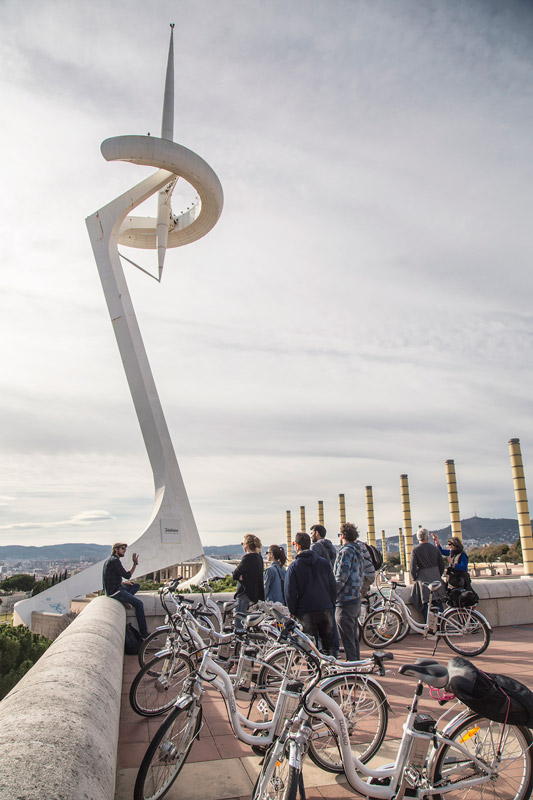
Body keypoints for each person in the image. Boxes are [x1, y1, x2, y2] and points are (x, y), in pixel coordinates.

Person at [284, 532, 336, 655]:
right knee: (328, 648)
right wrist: (330, 604)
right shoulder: (324, 563)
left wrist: (294, 612)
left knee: (310, 649)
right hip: (325, 608)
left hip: (305, 611)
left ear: (297, 546)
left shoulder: (294, 566)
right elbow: (333, 586)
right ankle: (330, 666)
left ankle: (315, 667)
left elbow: (289, 592)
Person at [102, 542, 149, 638]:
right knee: (139, 604)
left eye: (125, 549)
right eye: (122, 548)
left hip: (115, 588)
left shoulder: (110, 560)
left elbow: (111, 578)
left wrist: (123, 583)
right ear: (116, 549)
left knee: (136, 586)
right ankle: (144, 633)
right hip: (115, 592)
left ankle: (125, 600)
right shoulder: (115, 561)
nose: (124, 551)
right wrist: (135, 563)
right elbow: (127, 575)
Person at [334, 523, 364, 661]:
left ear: (343, 536)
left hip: (345, 599)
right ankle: (356, 665)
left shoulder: (346, 551)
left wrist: (332, 594)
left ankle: (352, 667)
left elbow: (341, 577)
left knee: (348, 639)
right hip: (356, 598)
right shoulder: (358, 551)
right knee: (352, 638)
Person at [410, 528, 445, 619]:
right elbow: (442, 565)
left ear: (418, 538)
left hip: (423, 581)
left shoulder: (415, 550)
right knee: (438, 603)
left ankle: (429, 626)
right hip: (436, 579)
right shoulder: (435, 549)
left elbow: (412, 568)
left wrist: (415, 578)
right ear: (427, 537)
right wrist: (437, 575)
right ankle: (442, 624)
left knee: (426, 605)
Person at [233, 534, 264, 628]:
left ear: (246, 545)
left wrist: (241, 576)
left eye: (242, 543)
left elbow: (235, 574)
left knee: (239, 624)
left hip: (245, 594)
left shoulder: (247, 558)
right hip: (255, 595)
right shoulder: (259, 558)